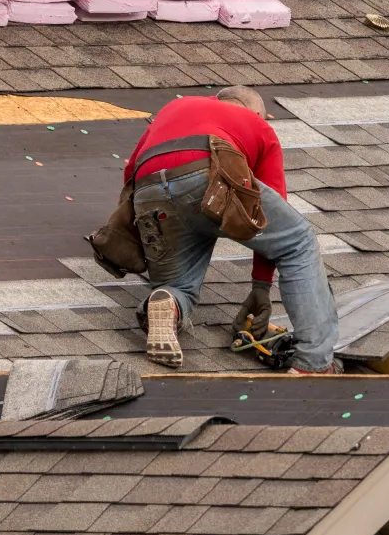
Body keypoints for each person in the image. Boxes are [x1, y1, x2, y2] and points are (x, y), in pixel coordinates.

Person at [123, 85, 341, 373]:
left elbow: (130, 173)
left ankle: (169, 301)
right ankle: (314, 363)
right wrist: (261, 286)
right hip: (210, 174)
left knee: (178, 284)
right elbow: (265, 221)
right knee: (298, 241)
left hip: (149, 190)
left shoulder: (177, 107)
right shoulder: (257, 127)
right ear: (253, 111)